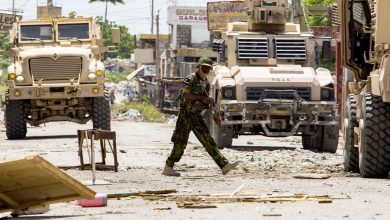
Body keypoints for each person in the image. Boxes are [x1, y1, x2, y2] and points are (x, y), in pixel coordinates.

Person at [162, 57, 239, 176]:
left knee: (208, 141)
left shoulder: (206, 84)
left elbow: (206, 102)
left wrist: (214, 113)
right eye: (204, 67)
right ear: (198, 67)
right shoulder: (191, 78)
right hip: (185, 116)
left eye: (208, 68)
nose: (206, 70)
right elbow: (186, 95)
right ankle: (168, 167)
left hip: (196, 117)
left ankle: (224, 165)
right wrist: (202, 98)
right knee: (180, 143)